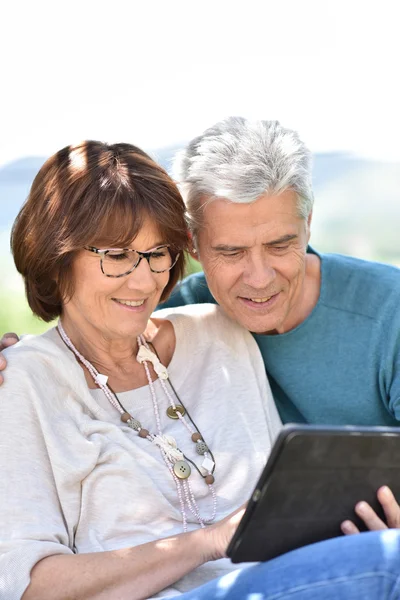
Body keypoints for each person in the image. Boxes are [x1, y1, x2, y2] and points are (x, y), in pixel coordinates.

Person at [1, 139, 400, 600]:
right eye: (116, 256)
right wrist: (208, 543)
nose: (144, 279)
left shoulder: (218, 330)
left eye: (156, 253)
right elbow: (25, 586)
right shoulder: (21, 382)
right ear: (56, 257)